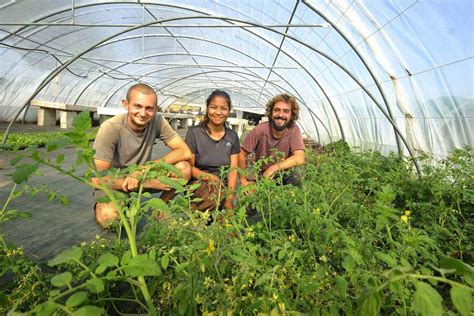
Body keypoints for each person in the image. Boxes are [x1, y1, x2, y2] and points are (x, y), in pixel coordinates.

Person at [92, 83, 192, 228]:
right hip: (116, 182)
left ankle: (160, 208)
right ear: (126, 104)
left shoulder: (157, 121)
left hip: (144, 174)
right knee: (108, 216)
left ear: (156, 109)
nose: (143, 113)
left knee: (184, 168)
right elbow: (98, 179)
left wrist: (144, 169)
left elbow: (184, 151)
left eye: (149, 108)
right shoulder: (110, 128)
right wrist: (143, 183)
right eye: (137, 106)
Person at [185, 90, 240, 211]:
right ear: (207, 108)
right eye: (214, 107)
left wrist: (230, 198)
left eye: (224, 108)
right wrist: (209, 177)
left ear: (229, 111)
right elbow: (188, 168)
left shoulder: (232, 136)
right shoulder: (194, 133)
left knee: (231, 218)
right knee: (212, 198)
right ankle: (200, 221)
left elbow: (233, 170)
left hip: (223, 185)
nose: (218, 112)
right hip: (199, 183)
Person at [239, 93, 305, 187]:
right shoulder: (260, 130)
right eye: (277, 110)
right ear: (271, 112)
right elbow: (241, 154)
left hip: (285, 174)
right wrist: (243, 181)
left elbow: (299, 158)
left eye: (286, 111)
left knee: (298, 173)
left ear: (292, 115)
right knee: (253, 199)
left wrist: (273, 168)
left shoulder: (294, 129)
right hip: (263, 175)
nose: (280, 115)